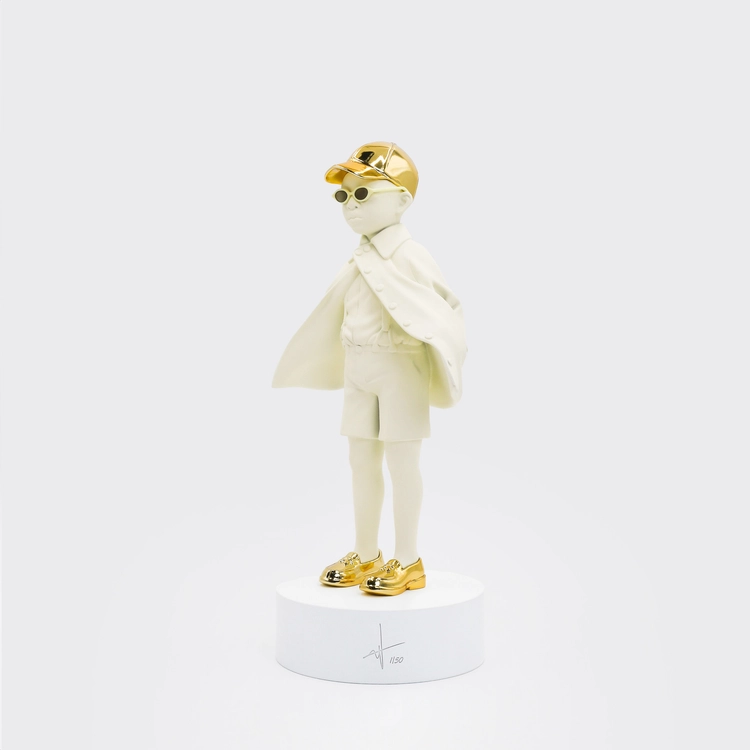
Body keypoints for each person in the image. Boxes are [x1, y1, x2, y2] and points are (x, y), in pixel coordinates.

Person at [273, 142, 466, 595]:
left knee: (402, 463)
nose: (350, 205)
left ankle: (408, 559)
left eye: (363, 193)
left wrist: (438, 352)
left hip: (400, 370)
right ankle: (366, 553)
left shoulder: (411, 255)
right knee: (360, 460)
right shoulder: (358, 257)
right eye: (344, 195)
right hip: (358, 369)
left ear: (402, 200)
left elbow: (448, 311)